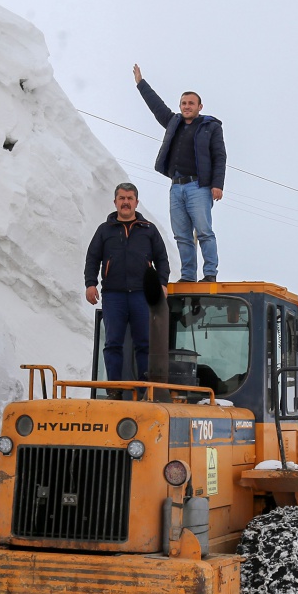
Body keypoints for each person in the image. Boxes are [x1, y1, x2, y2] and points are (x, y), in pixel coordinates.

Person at [133, 64, 226, 282]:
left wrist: (217, 184)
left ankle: (210, 274)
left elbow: (220, 156)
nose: (186, 106)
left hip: (199, 186)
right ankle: (188, 276)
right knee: (182, 235)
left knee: (204, 231)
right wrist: (140, 83)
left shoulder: (210, 127)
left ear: (199, 106)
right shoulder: (173, 122)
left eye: (191, 103)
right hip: (176, 187)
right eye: (183, 103)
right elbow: (157, 106)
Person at [84, 182, 170, 382]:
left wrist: (162, 283)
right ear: (115, 202)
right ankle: (114, 388)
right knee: (113, 343)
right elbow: (92, 258)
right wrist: (90, 283)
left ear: (136, 202)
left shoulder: (149, 230)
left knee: (144, 344)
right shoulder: (104, 230)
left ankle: (144, 390)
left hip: (142, 295)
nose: (126, 202)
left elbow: (162, 259)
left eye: (130, 198)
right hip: (113, 295)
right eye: (122, 198)